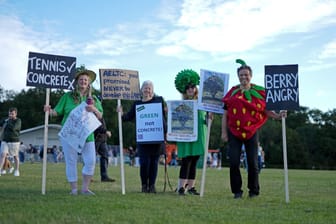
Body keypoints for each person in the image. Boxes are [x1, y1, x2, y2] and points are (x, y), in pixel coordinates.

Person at [221, 59, 287, 199]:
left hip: (251, 132)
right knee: (233, 162)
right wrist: (224, 132)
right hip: (234, 131)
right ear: (238, 76)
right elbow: (225, 114)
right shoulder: (232, 93)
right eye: (241, 75)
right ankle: (237, 192)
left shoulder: (260, 92)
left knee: (253, 163)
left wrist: (278, 116)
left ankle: (254, 191)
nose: (244, 77)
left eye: (246, 74)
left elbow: (267, 111)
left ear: (251, 76)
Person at [44, 68, 103, 195]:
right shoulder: (67, 96)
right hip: (69, 134)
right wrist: (49, 110)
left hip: (87, 135)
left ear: (89, 83)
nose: (83, 81)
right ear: (77, 82)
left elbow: (100, 116)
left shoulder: (94, 99)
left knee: (91, 161)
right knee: (71, 161)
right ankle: (74, 189)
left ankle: (85, 188)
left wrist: (93, 109)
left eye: (86, 80)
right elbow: (56, 112)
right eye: (81, 79)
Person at [117, 80, 167, 193]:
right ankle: (144, 185)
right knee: (144, 163)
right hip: (143, 138)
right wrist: (121, 113)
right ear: (141, 90)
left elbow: (163, 119)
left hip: (156, 138)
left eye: (149, 88)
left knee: (154, 163)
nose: (147, 90)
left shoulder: (159, 101)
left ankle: (152, 186)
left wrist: (166, 130)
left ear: (152, 91)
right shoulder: (137, 104)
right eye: (145, 88)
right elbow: (128, 117)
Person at [174, 69, 213, 196]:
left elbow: (206, 119)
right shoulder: (180, 104)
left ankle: (191, 187)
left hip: (199, 135)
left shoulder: (202, 103)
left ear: (196, 88)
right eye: (188, 87)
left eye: (192, 87)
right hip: (186, 135)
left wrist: (210, 118)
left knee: (194, 161)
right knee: (186, 160)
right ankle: (181, 187)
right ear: (184, 90)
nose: (190, 89)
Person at [0, 107, 22, 177]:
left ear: (16, 114)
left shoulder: (18, 121)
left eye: (12, 114)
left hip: (14, 141)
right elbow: (1, 127)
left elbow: (13, 128)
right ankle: (0, 170)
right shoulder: (6, 120)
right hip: (5, 140)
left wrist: (7, 122)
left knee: (16, 156)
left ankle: (17, 170)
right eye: (9, 114)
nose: (10, 115)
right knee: (3, 155)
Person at [94, 117, 115, 182]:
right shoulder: (93, 110)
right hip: (95, 138)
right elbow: (96, 125)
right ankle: (88, 176)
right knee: (91, 158)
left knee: (105, 156)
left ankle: (104, 177)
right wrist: (105, 131)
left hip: (102, 139)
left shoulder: (100, 111)